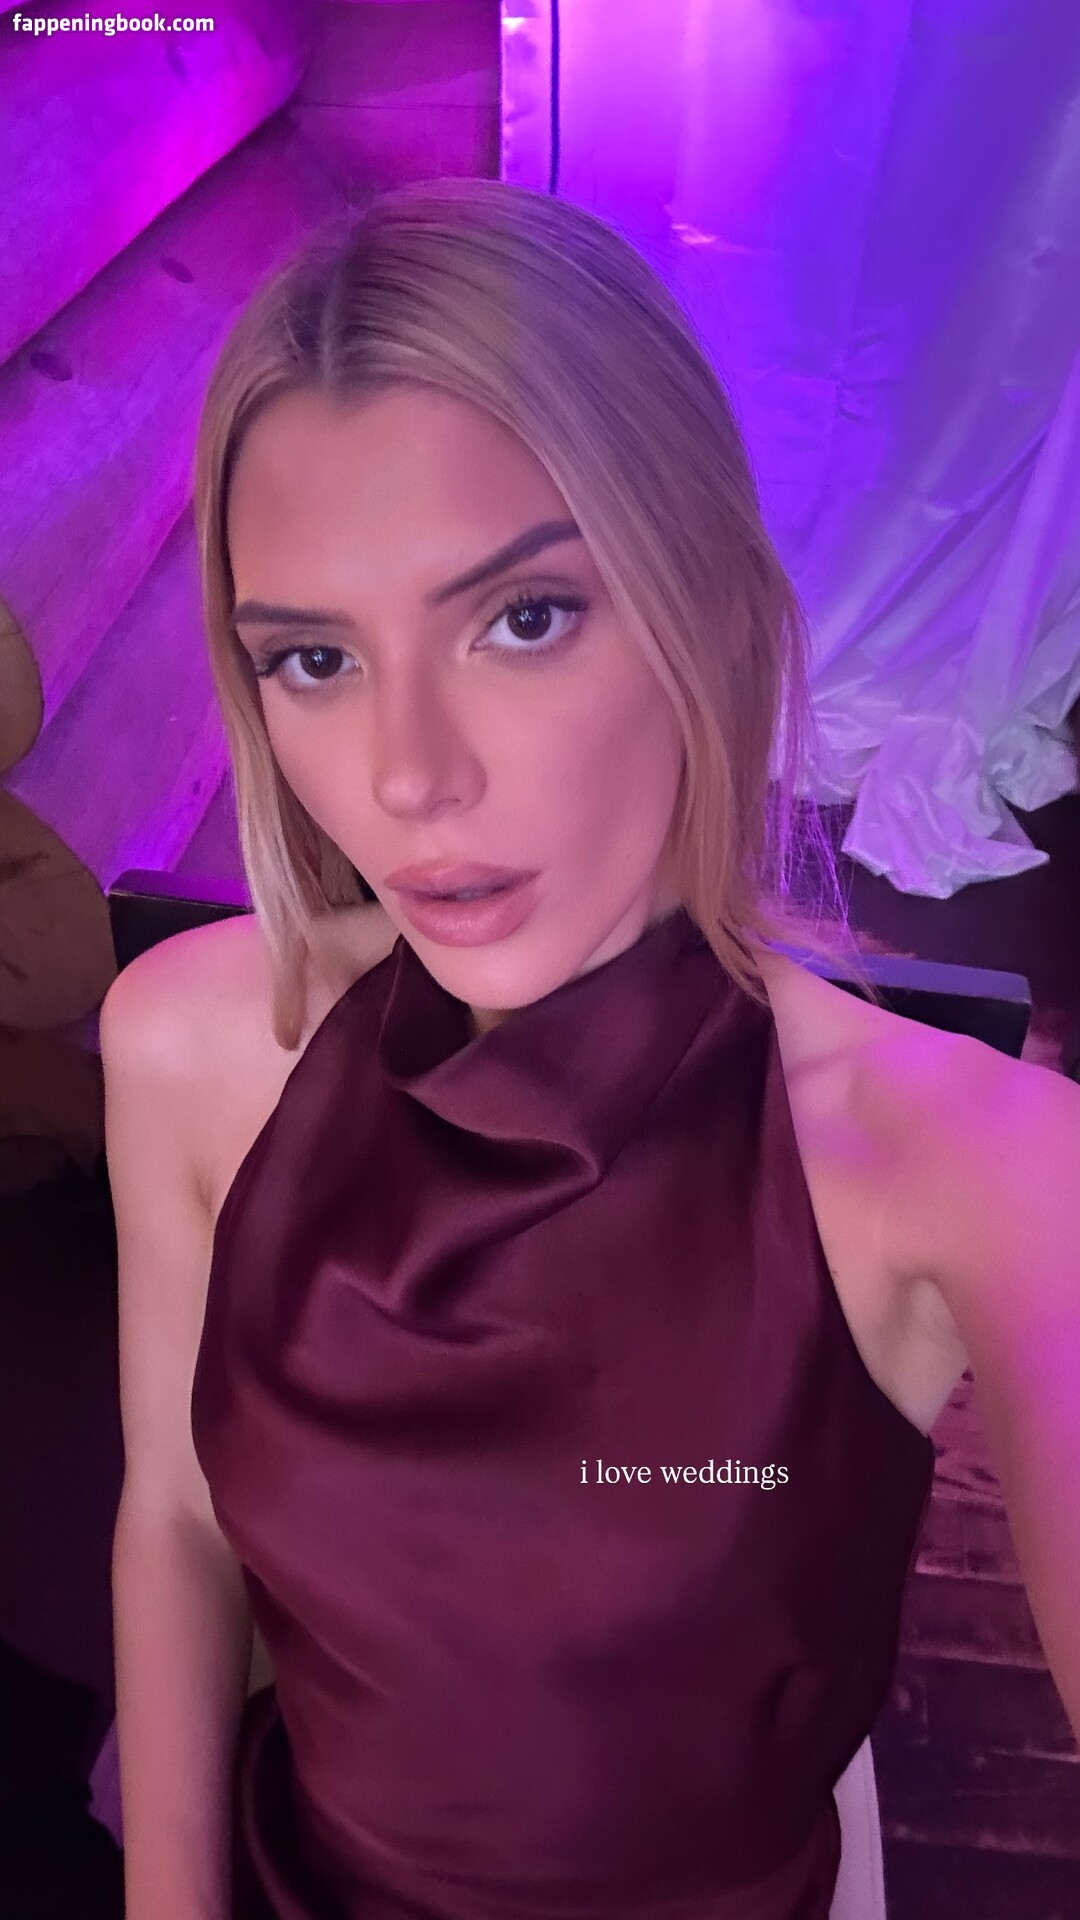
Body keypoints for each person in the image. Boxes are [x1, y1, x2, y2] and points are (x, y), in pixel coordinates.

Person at [99, 176, 1080, 1920]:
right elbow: (176, 1519)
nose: (411, 776)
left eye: (523, 619)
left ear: (710, 601)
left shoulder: (982, 1167)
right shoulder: (188, 1046)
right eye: (315, 658)